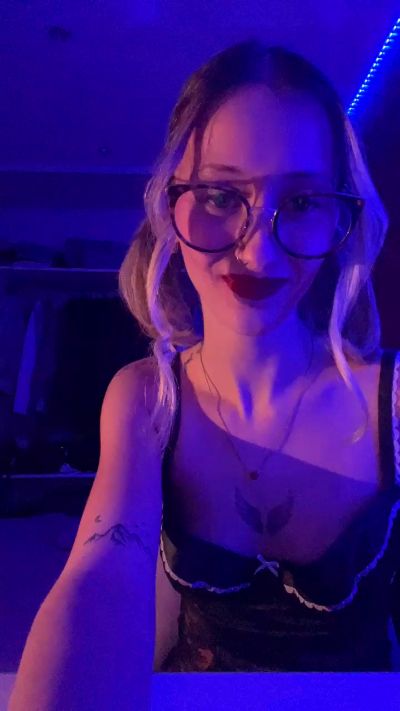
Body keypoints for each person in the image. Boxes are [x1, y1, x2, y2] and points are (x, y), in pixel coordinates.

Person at [9, 39, 400, 709]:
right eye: (220, 195)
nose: (259, 251)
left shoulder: (391, 404)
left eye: (302, 202)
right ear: (170, 203)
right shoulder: (147, 398)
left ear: (340, 213)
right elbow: (101, 574)